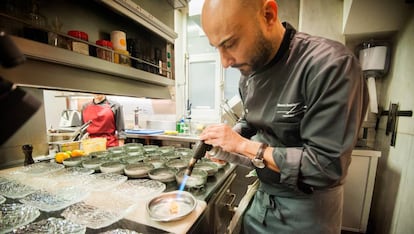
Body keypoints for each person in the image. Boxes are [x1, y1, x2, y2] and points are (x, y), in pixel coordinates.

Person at [199, 0, 369, 233]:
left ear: (268, 15)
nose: (225, 62)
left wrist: (242, 146)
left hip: (308, 212)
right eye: (216, 48)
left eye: (230, 43)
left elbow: (325, 167)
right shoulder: (248, 76)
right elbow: (250, 121)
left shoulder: (329, 65)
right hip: (263, 201)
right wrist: (228, 142)